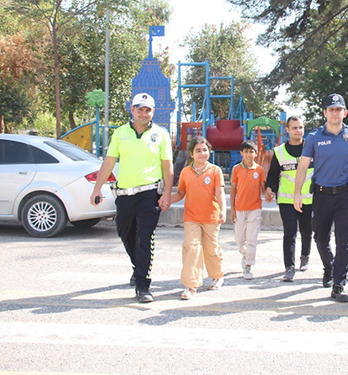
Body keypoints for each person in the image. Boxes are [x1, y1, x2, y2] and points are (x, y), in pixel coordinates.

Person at [90, 93, 174, 303]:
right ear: (132, 110)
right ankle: (139, 268)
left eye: (148, 110)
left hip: (149, 194)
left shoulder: (160, 134)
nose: (144, 113)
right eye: (140, 109)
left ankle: (143, 285)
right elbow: (109, 161)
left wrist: (167, 194)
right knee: (126, 234)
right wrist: (96, 189)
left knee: (145, 238)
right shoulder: (120, 133)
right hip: (125, 195)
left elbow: (167, 167)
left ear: (153, 112)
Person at [293, 93, 348, 303]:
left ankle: (339, 284)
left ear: (344, 112)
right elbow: (302, 166)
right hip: (321, 195)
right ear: (325, 113)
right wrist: (297, 193)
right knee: (320, 238)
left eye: (338, 109)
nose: (335, 113)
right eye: (331, 109)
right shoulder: (314, 137)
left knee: (344, 242)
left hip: (346, 196)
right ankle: (329, 268)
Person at [170, 137, 226, 300]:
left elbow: (220, 192)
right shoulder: (186, 171)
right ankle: (191, 285)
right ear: (191, 154)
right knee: (192, 247)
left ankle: (217, 276)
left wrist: (223, 210)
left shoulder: (215, 170)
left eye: (205, 150)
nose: (202, 153)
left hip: (211, 217)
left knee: (211, 249)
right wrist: (166, 201)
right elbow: (181, 193)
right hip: (191, 217)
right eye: (198, 150)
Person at [265, 116, 314, 282]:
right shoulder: (279, 151)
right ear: (287, 130)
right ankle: (289, 267)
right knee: (289, 233)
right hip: (287, 200)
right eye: (294, 128)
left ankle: (305, 256)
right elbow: (272, 174)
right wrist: (270, 189)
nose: (298, 131)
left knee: (307, 231)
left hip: (309, 199)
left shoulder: (312, 148)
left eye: (300, 127)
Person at [231, 140, 266, 280]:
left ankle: (248, 266)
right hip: (240, 208)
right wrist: (232, 209)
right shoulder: (236, 169)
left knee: (252, 239)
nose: (248, 154)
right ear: (241, 153)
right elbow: (233, 189)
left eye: (251, 151)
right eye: (246, 151)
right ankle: (245, 255)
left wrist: (269, 194)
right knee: (240, 239)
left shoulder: (259, 170)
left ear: (256, 153)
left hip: (255, 209)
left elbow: (264, 189)